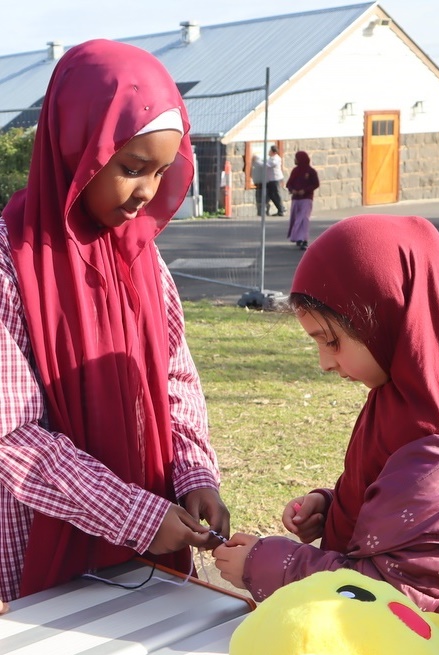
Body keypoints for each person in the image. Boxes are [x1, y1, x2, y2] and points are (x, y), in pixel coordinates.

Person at [214, 215, 439, 626]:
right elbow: (402, 512)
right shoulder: (406, 398)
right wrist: (331, 508)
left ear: (386, 318)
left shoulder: (438, 451)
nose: (325, 363)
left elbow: (391, 597)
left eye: (332, 342)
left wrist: (269, 564)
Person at [0, 39, 230, 610]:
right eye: (131, 168)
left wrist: (195, 475)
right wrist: (133, 515)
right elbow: (12, 437)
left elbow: (174, 380)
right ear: (78, 146)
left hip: (148, 543)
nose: (148, 192)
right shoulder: (10, 262)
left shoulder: (143, 260)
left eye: (161, 171)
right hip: (38, 542)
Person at [286, 151, 319, 251]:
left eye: (296, 158)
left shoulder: (311, 171)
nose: (295, 160)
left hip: (306, 198)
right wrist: (293, 190)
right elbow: (289, 184)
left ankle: (303, 238)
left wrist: (305, 190)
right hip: (296, 198)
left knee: (304, 218)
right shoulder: (295, 171)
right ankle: (297, 237)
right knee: (296, 218)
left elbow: (316, 184)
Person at [265, 145, 285, 216]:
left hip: (276, 179)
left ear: (274, 152)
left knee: (276, 195)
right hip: (271, 179)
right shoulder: (271, 158)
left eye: (270, 151)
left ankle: (281, 209)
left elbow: (268, 165)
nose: (269, 152)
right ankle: (281, 208)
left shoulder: (276, 159)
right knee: (272, 195)